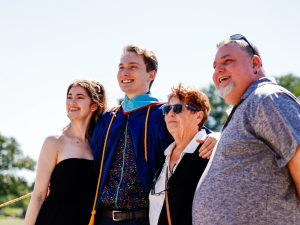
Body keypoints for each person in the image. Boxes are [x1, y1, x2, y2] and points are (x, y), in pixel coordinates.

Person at [90, 45, 217, 225]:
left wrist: (217, 137)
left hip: (144, 218)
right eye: (121, 67)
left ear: (151, 74)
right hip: (104, 218)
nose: (125, 72)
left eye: (133, 67)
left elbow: (196, 133)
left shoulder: (163, 113)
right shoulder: (108, 118)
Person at [192, 34, 300, 225]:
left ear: (255, 63)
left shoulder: (266, 98)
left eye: (228, 61)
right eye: (215, 66)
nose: (219, 70)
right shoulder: (246, 106)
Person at [25, 80, 107, 225]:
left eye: (80, 97)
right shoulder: (54, 142)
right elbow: (38, 195)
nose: (72, 102)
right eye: (69, 97)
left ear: (94, 105)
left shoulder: (100, 147)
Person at [149, 84, 211, 225]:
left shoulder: (209, 154)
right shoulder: (163, 155)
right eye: (166, 109)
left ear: (198, 116)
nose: (170, 113)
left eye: (178, 108)